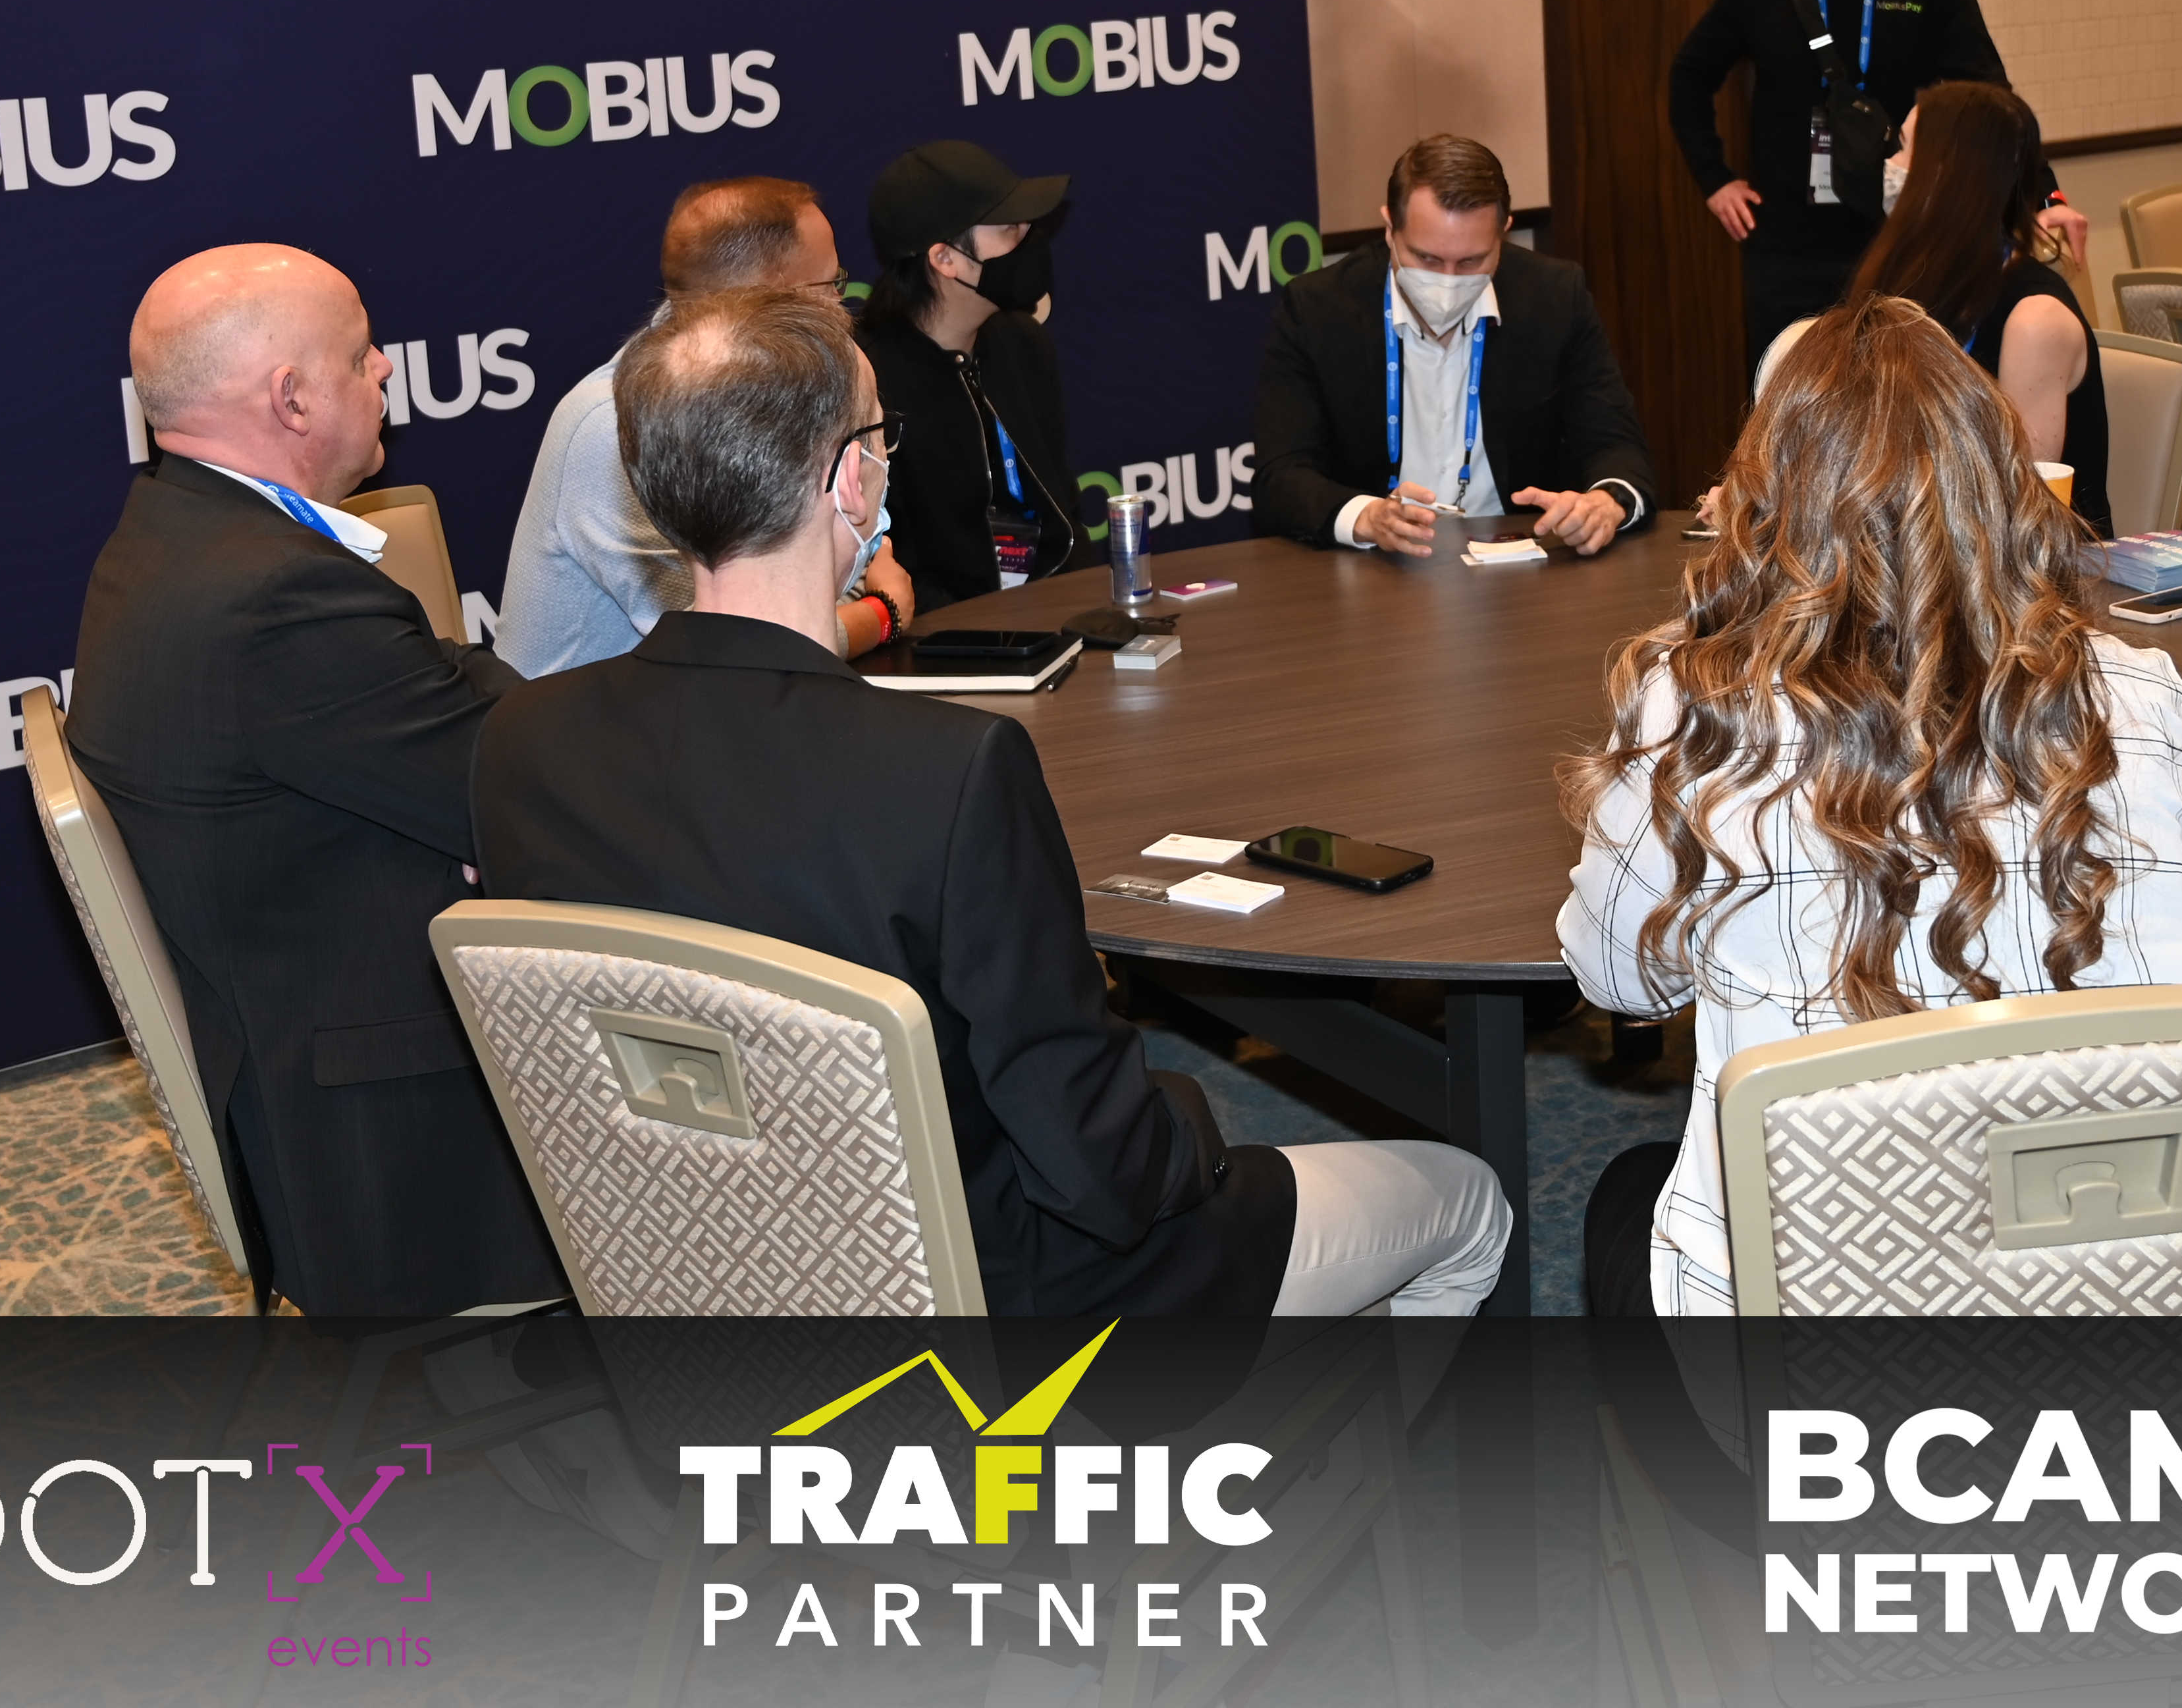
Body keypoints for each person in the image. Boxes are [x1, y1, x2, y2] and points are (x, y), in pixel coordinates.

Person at [473, 288, 1512, 1316]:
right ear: (851, 484)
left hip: (691, 1290)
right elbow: (1104, 1171)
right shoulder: (947, 772)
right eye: (878, 436)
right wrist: (1194, 1118)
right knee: (1469, 1205)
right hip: (1001, 1304)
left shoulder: (522, 745)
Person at [1558, 297, 2182, 1316]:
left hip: (1815, 1319)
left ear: (1768, 497)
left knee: (1623, 1200)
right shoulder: (2139, 693)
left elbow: (1621, 979)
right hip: (2104, 1285)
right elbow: (2172, 907)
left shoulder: (1696, 707)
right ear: (2003, 483)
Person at [68, 245, 560, 1315]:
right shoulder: (278, 597)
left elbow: (456, 718)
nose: (384, 368)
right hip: (399, 1124)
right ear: (291, 397)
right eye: (360, 352)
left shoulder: (167, 532)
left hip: (299, 1046)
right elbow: (527, 784)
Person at [499, 174, 913, 675]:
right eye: (828, 286)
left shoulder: (754, 390)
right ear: (766, 297)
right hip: (596, 721)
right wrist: (881, 614)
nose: (841, 305)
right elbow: (736, 643)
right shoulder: (619, 423)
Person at [1668, 0, 2017, 356]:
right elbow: (1688, 75)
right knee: (1786, 387)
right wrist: (1715, 179)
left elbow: (1988, 91)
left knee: (1897, 387)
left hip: (1902, 234)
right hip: (1789, 246)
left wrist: (2038, 196)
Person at [1250, 134, 1657, 556]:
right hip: (1375, 567)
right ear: (1390, 228)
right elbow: (1280, 477)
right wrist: (1365, 517)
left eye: (1470, 261)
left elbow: (1616, 445)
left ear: (1504, 234)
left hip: (1517, 562)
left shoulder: (1554, 296)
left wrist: (1605, 503)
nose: (1447, 281)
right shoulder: (1317, 309)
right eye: (1426, 259)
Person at [1848, 80, 2108, 527]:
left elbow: (2020, 508)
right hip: (1928, 536)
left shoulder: (2035, 320)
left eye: (1905, 148)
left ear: (1946, 172)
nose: (1890, 165)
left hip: (2029, 558)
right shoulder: (1921, 284)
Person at [855, 140, 1090, 613]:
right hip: (941, 639)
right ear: (945, 259)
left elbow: (1062, 512)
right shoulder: (868, 383)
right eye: (1009, 229)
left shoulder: (1022, 345)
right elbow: (892, 563)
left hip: (1058, 615)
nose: (1031, 239)